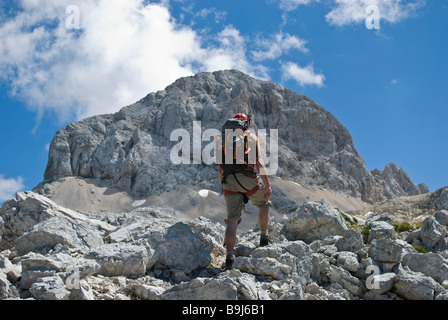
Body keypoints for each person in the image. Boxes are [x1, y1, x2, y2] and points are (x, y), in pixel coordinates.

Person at [217, 113, 272, 270]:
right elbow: (259, 162)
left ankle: (229, 256)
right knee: (263, 203)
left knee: (232, 220)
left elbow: (220, 168)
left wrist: (225, 183)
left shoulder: (224, 138)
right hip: (248, 178)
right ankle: (263, 238)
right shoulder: (252, 138)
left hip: (229, 181)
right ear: (246, 124)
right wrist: (267, 185)